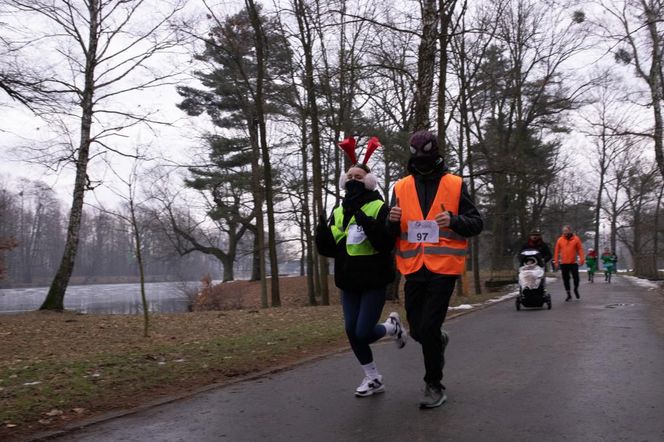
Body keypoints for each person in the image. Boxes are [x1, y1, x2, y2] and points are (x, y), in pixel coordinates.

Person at [388, 130, 483, 409]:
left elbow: (476, 222)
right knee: (418, 329)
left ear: (437, 155)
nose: (422, 162)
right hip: (413, 267)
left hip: (444, 269)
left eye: (427, 157)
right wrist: (391, 221)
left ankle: (433, 384)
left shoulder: (454, 184)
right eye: (418, 158)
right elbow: (391, 232)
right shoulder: (401, 187)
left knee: (428, 326)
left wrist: (453, 220)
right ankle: (438, 339)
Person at [315, 136, 407, 398]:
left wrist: (364, 218)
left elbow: (384, 242)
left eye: (359, 177)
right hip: (348, 280)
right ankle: (373, 378)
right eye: (350, 177)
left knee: (364, 332)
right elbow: (330, 248)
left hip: (374, 279)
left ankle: (392, 328)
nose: (354, 180)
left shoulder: (381, 207)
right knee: (351, 332)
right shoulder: (339, 210)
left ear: (368, 182)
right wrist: (321, 232)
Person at [553, 225, 585, 301]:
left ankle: (575, 289)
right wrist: (556, 262)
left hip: (573, 262)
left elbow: (580, 250)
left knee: (576, 278)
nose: (565, 232)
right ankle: (568, 294)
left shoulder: (576, 239)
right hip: (564, 263)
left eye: (566, 230)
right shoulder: (560, 240)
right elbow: (556, 251)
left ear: (570, 231)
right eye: (564, 231)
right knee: (566, 279)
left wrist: (582, 259)